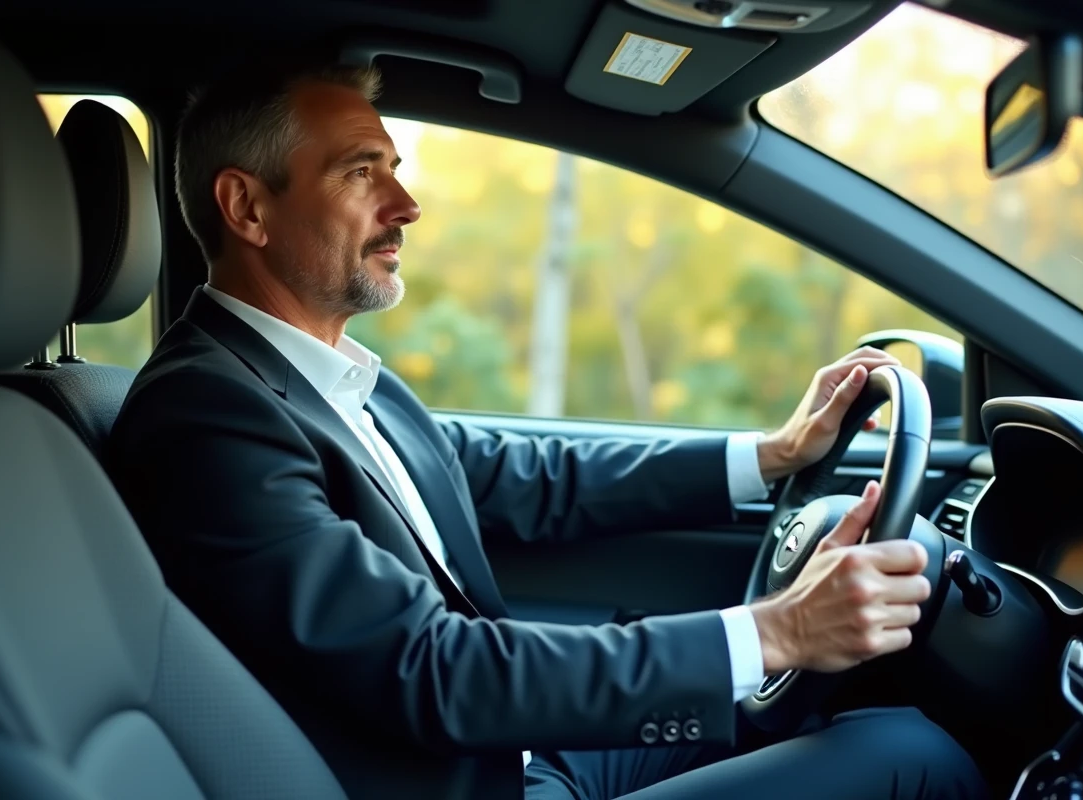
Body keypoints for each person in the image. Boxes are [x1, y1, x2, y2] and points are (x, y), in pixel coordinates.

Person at [107, 54, 987, 800]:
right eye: (360, 171)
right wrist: (777, 630)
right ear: (248, 209)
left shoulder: (319, 374)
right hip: (473, 780)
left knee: (837, 703)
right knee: (914, 758)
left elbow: (528, 474)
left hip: (517, 752)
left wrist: (773, 455)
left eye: (394, 167)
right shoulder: (207, 417)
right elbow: (428, 668)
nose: (406, 205)